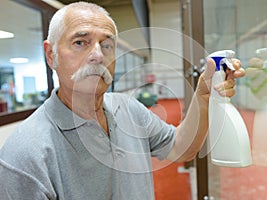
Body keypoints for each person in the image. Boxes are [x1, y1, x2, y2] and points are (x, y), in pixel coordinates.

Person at [0, 2, 245, 200]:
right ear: (51, 54)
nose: (97, 55)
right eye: (80, 42)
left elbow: (181, 147)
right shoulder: (23, 157)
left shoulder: (128, 108)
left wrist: (203, 96)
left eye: (107, 45)